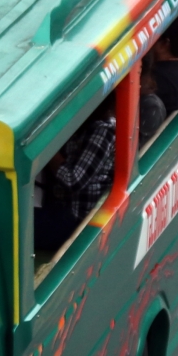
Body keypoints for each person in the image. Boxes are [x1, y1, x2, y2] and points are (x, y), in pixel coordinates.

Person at [34, 103, 117, 258]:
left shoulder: (103, 130)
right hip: (56, 205)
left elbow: (73, 180)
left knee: (13, 231)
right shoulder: (80, 124)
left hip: (77, 220)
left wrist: (46, 147)